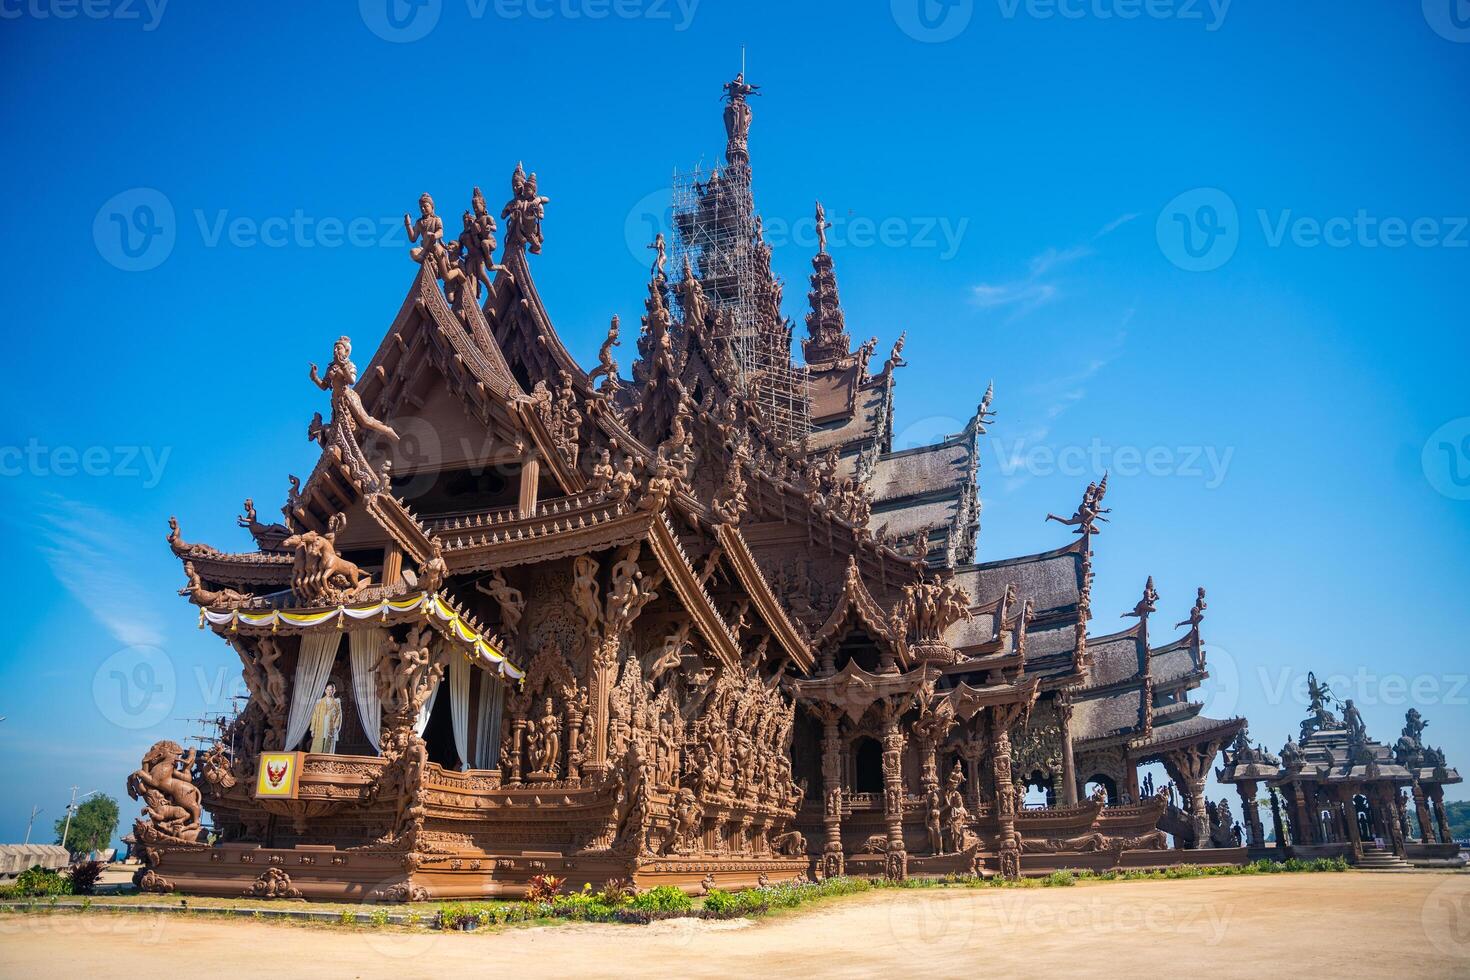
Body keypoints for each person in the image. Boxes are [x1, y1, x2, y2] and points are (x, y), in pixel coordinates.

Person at [309, 681, 344, 754]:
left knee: (328, 743)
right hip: (320, 725)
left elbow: (339, 715)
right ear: (325, 690)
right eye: (327, 690)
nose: (329, 691)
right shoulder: (320, 702)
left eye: (331, 690)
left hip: (330, 725)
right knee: (318, 744)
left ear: (333, 691)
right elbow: (315, 715)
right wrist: (313, 729)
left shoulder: (336, 702)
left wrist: (335, 726)